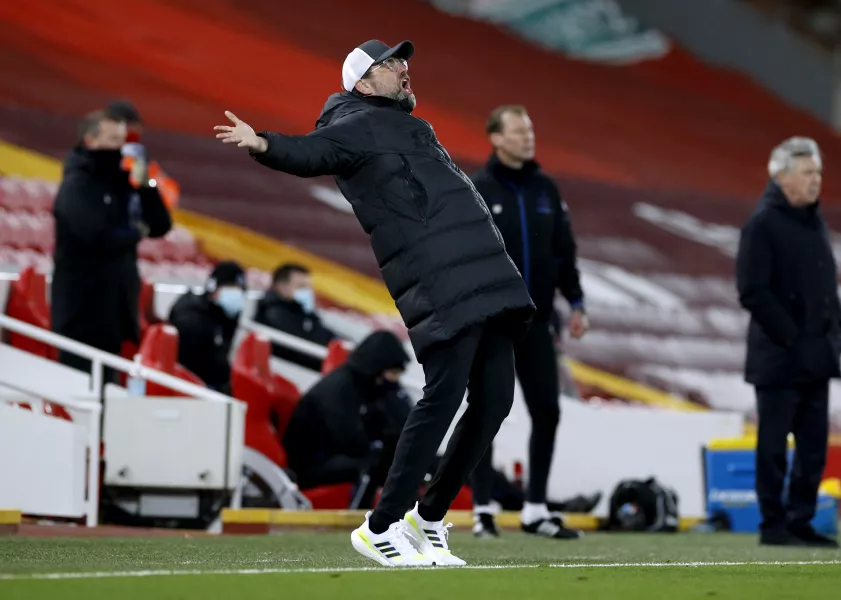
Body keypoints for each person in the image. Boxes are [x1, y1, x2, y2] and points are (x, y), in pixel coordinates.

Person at [214, 39, 534, 567]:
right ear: (362, 83)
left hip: (483, 273)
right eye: (389, 66)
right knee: (443, 396)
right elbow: (310, 153)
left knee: (495, 399)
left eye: (403, 62)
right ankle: (380, 526)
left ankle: (428, 519)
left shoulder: (410, 124)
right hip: (439, 279)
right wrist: (263, 143)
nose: (403, 70)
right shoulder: (353, 125)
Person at [468, 105, 588, 539]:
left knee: (548, 412)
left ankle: (535, 508)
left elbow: (564, 251)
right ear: (496, 138)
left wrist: (576, 303)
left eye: (530, 129)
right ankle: (482, 508)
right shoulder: (477, 188)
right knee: (486, 412)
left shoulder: (546, 190)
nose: (528, 137)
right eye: (518, 131)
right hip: (493, 323)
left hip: (537, 321)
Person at [735, 136, 839, 548]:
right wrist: (791, 337)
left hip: (818, 354)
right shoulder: (761, 224)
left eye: (818, 173)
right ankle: (773, 525)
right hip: (778, 356)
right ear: (781, 176)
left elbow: (826, 289)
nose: (816, 181)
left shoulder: (815, 222)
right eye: (808, 173)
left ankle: (801, 521)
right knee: (774, 446)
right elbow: (752, 290)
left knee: (814, 447)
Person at [52, 110, 171, 378]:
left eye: (123, 139)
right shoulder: (77, 184)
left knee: (108, 389)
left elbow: (160, 225)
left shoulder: (121, 182)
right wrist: (134, 233)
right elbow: (95, 235)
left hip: (114, 311)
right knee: (78, 389)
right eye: (113, 139)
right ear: (90, 140)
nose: (121, 147)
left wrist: (145, 186)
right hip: (81, 312)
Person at [283, 330, 412, 507]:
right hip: (309, 466)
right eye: (392, 374)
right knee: (375, 465)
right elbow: (351, 442)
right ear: (378, 369)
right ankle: (365, 523)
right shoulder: (339, 389)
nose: (394, 381)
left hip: (331, 455)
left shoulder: (359, 385)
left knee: (389, 459)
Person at [168, 261, 246, 395]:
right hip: (191, 388)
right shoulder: (191, 317)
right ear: (213, 286)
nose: (237, 293)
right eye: (230, 286)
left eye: (240, 288)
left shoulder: (225, 316)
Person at [253, 263, 337, 371]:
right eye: (301, 287)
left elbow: (321, 332)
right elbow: (299, 348)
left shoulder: (302, 312)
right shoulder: (274, 313)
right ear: (282, 286)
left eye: (309, 287)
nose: (308, 292)